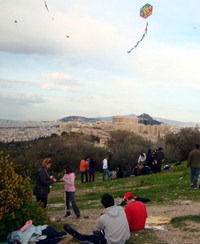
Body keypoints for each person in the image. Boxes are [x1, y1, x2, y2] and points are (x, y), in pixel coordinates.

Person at [64, 194, 130, 244]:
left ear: (103, 205)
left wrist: (102, 214)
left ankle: (75, 234)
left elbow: (99, 226)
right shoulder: (121, 209)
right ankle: (99, 234)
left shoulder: (104, 217)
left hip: (112, 242)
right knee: (108, 228)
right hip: (124, 240)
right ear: (114, 201)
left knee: (90, 238)